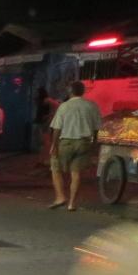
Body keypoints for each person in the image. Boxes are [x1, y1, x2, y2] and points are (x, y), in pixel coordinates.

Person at [48, 81, 103, 211]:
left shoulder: (64, 106)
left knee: (55, 167)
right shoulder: (92, 106)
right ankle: (72, 203)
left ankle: (60, 197)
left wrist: (54, 145)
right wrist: (94, 144)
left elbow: (57, 128)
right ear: (83, 91)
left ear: (70, 92)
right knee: (76, 173)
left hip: (66, 142)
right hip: (84, 143)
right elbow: (97, 128)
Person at [35, 87, 58, 167]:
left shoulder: (47, 100)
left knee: (46, 141)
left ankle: (47, 160)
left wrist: (49, 116)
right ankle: (44, 159)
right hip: (44, 122)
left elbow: (56, 106)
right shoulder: (46, 100)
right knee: (44, 141)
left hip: (45, 122)